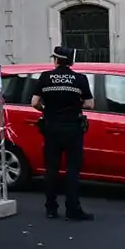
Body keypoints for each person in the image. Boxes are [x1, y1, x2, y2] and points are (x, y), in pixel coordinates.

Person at [30, 46, 95, 221]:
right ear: (70, 62)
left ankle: (51, 208)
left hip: (51, 127)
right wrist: (74, 106)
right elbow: (90, 104)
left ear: (56, 60)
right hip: (73, 128)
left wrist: (47, 109)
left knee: (51, 169)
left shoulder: (45, 77)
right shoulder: (80, 79)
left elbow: (34, 102)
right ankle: (73, 209)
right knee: (72, 170)